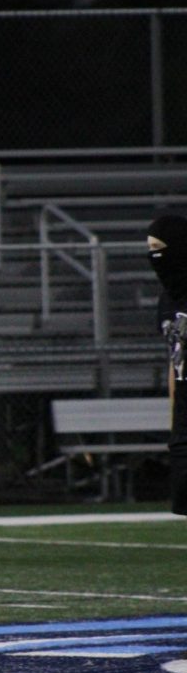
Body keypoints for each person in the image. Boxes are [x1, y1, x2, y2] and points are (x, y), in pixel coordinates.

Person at [147, 215, 187, 514]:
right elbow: (174, 358)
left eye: (160, 248)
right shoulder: (168, 299)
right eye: (150, 250)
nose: (155, 258)